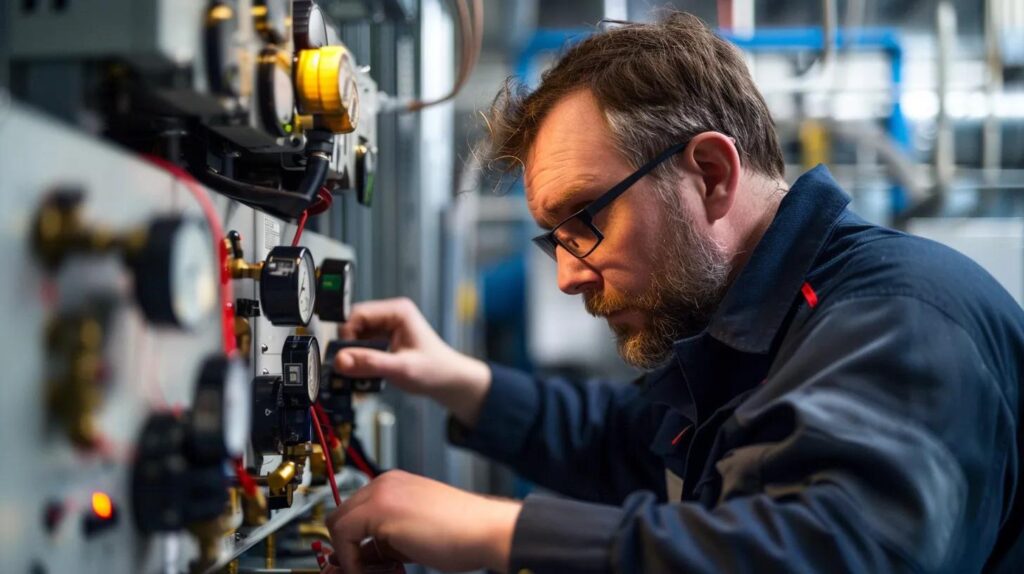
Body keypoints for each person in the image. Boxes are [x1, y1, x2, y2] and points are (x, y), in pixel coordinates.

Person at [322, 12, 1024, 574]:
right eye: (555, 237)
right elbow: (628, 440)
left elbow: (826, 553)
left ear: (713, 174)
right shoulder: (754, 335)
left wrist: (497, 531)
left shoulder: (903, 321)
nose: (567, 275)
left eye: (587, 219)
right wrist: (459, 381)